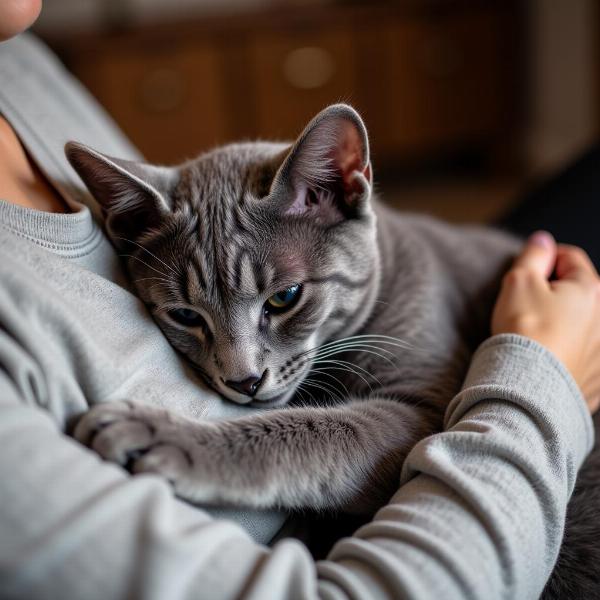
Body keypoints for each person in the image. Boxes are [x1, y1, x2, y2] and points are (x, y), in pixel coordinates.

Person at [1, 4, 599, 599]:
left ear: (336, 192)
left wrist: (225, 452)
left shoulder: (21, 60)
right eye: (188, 318)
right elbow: (436, 448)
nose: (241, 371)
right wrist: (545, 365)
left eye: (283, 299)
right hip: (502, 518)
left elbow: (409, 422)